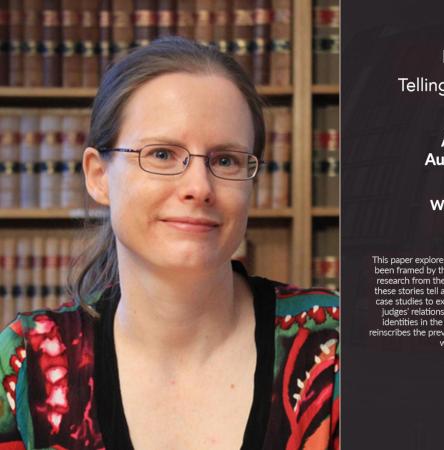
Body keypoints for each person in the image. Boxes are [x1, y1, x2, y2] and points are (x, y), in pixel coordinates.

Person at [0, 37, 339, 450]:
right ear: (98, 176)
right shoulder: (26, 363)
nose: (199, 187)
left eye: (226, 160)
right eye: (161, 154)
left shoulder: (336, 350)